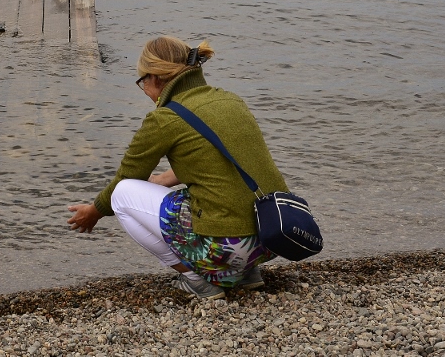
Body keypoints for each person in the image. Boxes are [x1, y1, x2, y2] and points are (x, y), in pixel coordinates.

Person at [67, 36, 290, 299]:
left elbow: (126, 179)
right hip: (271, 237)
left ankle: (198, 280)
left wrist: (94, 211)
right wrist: (162, 180)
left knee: (122, 195)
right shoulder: (230, 100)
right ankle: (246, 274)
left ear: (157, 79)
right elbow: (223, 160)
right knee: (208, 195)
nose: (145, 90)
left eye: (143, 82)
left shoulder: (165, 118)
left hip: (227, 249)